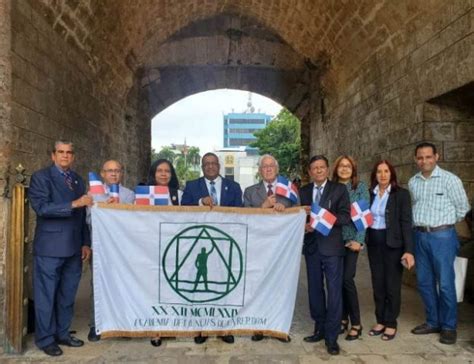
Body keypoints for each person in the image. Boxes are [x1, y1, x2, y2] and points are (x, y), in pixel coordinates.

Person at [29, 141, 93, 357]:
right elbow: (41, 207)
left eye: (69, 153)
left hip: (74, 248)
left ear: (73, 156)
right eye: (61, 152)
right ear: (53, 155)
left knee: (67, 295)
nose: (65, 156)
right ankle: (45, 339)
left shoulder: (76, 179)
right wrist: (74, 204)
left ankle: (63, 333)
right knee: (46, 296)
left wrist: (85, 242)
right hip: (50, 247)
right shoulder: (41, 177)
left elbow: (83, 215)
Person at [409, 142, 469, 345]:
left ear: (437, 157)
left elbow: (463, 208)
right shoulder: (413, 182)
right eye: (420, 157)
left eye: (428, 156)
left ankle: (449, 326)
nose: (424, 161)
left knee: (445, 283)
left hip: (442, 236)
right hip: (419, 236)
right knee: (424, 283)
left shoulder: (450, 180)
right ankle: (433, 321)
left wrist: (445, 225)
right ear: (416, 159)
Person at [181, 152, 242, 344]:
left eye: (213, 163)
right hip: (201, 243)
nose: (210, 166)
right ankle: (201, 328)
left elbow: (239, 214)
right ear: (202, 167)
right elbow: (183, 210)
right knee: (201, 287)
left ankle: (225, 328)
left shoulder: (233, 187)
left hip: (224, 243)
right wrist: (200, 202)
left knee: (224, 284)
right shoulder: (192, 186)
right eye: (206, 164)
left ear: (219, 166)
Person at [243, 154, 299, 342]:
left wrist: (285, 207)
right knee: (258, 284)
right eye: (264, 167)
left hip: (282, 248)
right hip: (258, 248)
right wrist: (263, 206)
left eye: (271, 166)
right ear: (260, 171)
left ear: (277, 169)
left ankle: (280, 327)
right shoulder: (250, 192)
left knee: (281, 285)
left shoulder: (289, 190)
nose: (268, 169)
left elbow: (298, 213)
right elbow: (243, 217)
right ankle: (259, 325)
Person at [300, 155, 350, 355]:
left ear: (328, 170)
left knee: (334, 292)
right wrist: (303, 224)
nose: (318, 171)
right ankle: (319, 328)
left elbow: (346, 216)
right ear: (310, 172)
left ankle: (332, 336)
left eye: (322, 167)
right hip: (312, 248)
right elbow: (297, 215)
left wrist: (321, 220)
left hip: (332, 248)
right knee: (314, 290)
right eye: (314, 168)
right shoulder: (303, 191)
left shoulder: (339, 190)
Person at [366, 160, 414, 341]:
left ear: (392, 174)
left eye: (386, 171)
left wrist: (409, 250)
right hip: (374, 244)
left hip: (393, 245)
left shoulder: (401, 195)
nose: (383, 175)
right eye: (379, 172)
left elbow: (406, 224)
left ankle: (391, 322)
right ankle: (380, 320)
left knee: (392, 285)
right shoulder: (370, 194)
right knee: (378, 284)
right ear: (375, 175)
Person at [88, 160, 135, 342]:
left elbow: (133, 221)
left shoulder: (129, 195)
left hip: (122, 248)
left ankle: (121, 323)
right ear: (102, 173)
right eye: (110, 171)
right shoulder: (93, 194)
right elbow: (88, 221)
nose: (114, 174)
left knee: (122, 284)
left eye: (117, 171)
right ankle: (96, 325)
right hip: (100, 247)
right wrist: (104, 209)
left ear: (121, 173)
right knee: (97, 285)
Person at [332, 155, 369, 340]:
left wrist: (359, 241)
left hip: (351, 241)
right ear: (336, 168)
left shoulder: (359, 187)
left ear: (353, 169)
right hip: (334, 241)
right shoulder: (332, 187)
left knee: (347, 280)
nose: (345, 169)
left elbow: (364, 216)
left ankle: (356, 323)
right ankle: (342, 319)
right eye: (341, 166)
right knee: (337, 282)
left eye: (348, 166)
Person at [147, 159, 181, 347]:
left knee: (171, 287)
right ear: (153, 173)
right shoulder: (143, 193)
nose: (163, 174)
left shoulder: (178, 194)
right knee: (154, 289)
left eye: (167, 171)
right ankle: (155, 330)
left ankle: (170, 325)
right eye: (159, 170)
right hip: (151, 248)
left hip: (174, 248)